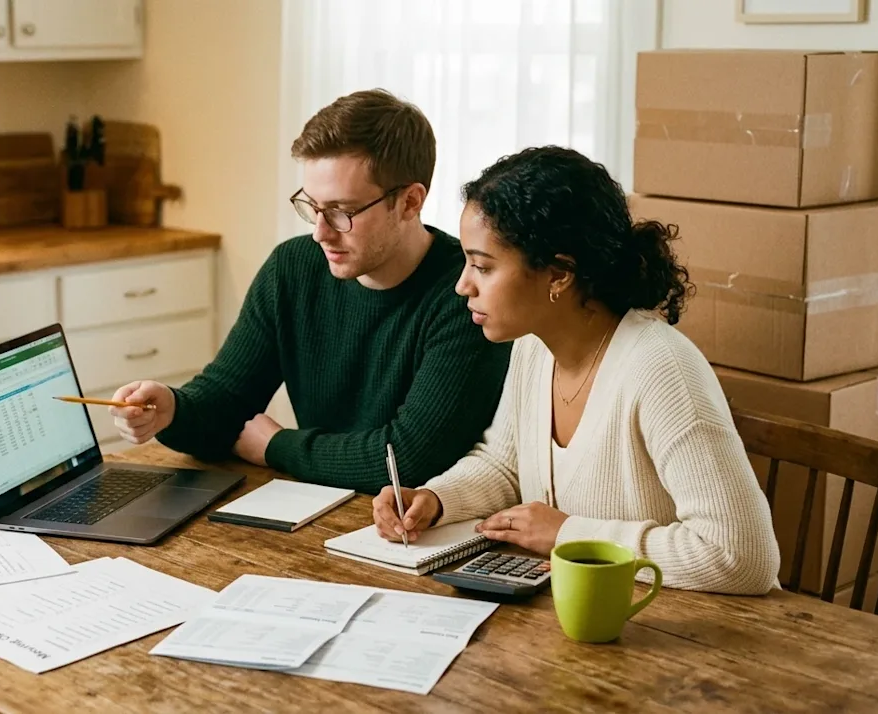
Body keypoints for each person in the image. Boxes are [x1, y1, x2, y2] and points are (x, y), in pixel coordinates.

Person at [371, 146, 781, 595]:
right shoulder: (533, 347)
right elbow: (504, 466)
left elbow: (741, 556)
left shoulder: (661, 369)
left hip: (686, 636)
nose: (462, 284)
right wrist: (435, 499)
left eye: (483, 266)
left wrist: (568, 534)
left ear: (559, 274)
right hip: (587, 622)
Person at [108, 89, 512, 492]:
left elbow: (407, 460)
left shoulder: (467, 293)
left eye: (342, 212)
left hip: (423, 531)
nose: (320, 232)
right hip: (319, 508)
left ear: (409, 202)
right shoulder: (292, 268)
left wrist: (275, 446)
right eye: (312, 206)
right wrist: (170, 409)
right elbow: (225, 403)